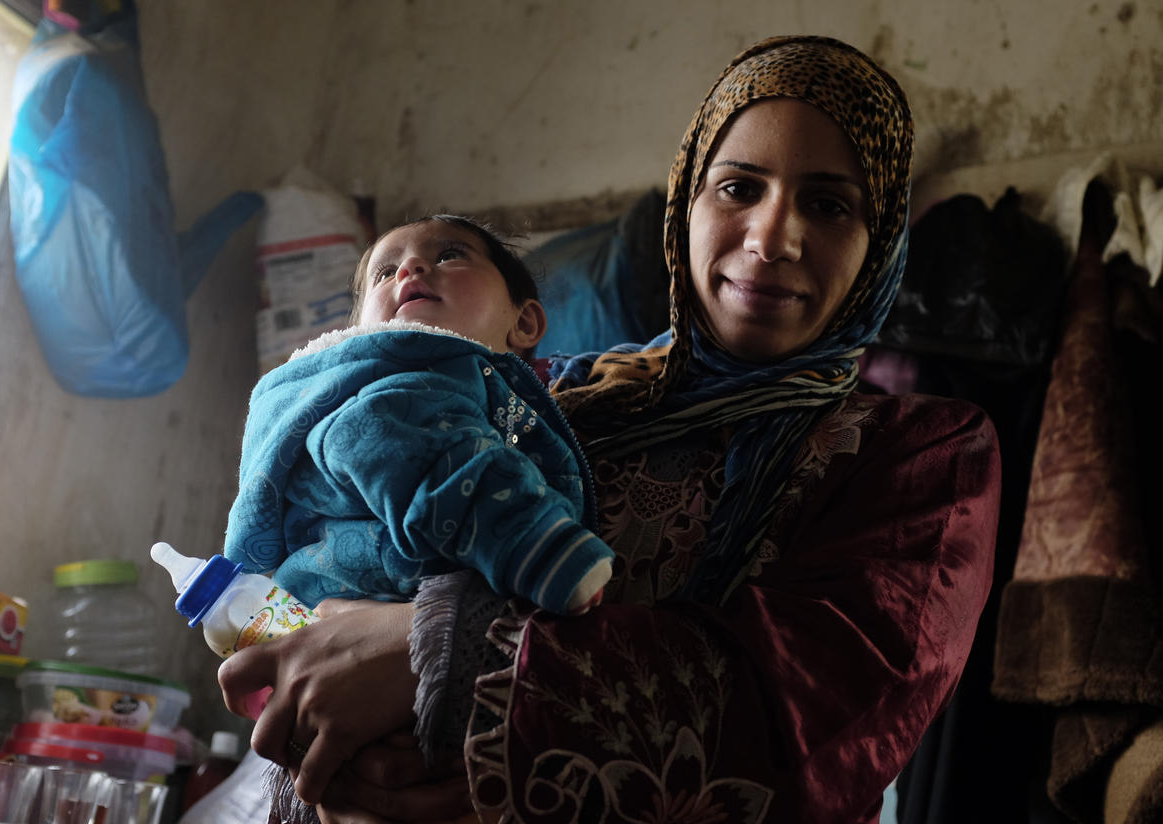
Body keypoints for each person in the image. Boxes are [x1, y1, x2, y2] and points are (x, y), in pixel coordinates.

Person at [219, 35, 1001, 824]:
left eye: (829, 204)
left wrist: (443, 650)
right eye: (736, 188)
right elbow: (337, 565)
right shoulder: (548, 396)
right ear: (684, 205)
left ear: (881, 243)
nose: (771, 240)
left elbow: (806, 719)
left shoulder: (922, 457)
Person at [222, 213, 614, 616]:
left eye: (449, 255)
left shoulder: (538, 381)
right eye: (386, 272)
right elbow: (421, 455)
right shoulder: (399, 386)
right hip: (376, 605)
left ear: (525, 321)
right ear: (365, 330)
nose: (410, 269)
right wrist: (539, 549)